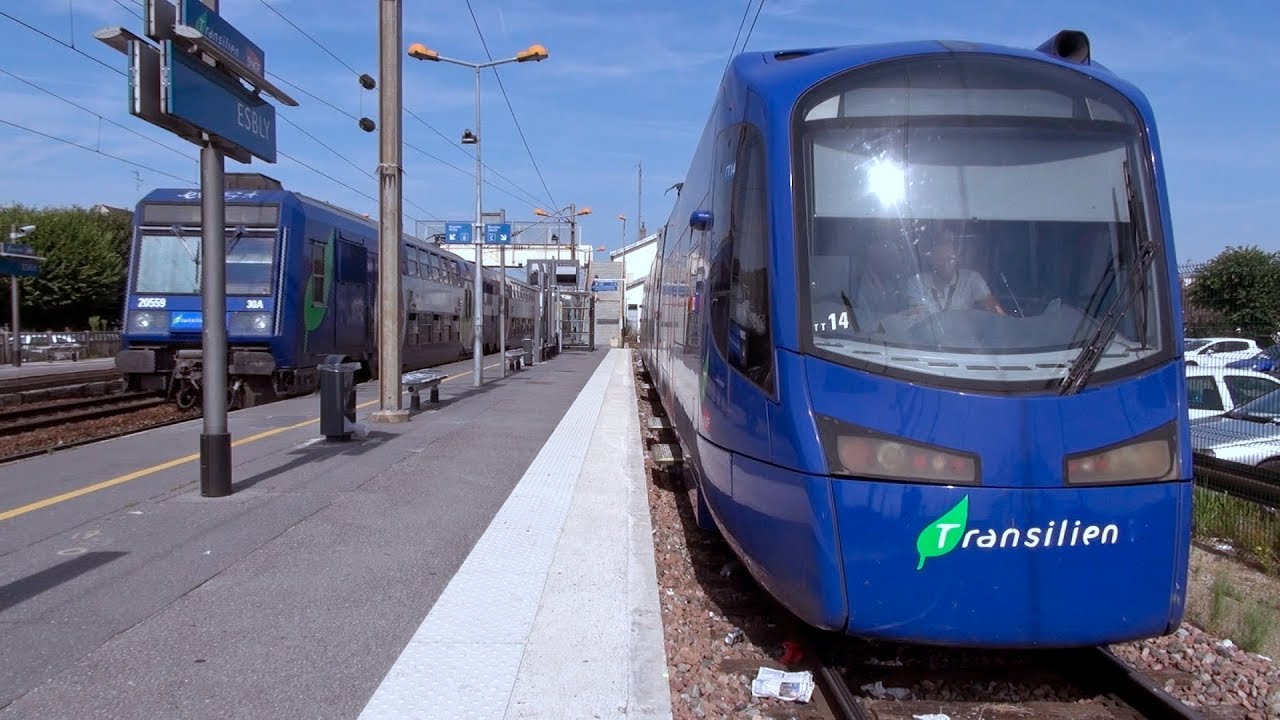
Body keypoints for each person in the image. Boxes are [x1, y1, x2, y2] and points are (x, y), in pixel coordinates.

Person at [910, 230, 1006, 316]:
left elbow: (995, 309)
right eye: (940, 260)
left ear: (956, 259)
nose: (946, 265)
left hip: (964, 335)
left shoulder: (971, 279)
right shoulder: (917, 283)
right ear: (930, 261)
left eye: (950, 259)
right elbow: (916, 316)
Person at [850, 235, 925, 332]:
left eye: (897, 256)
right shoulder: (865, 290)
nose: (898, 261)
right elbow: (865, 326)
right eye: (891, 257)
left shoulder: (905, 282)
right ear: (878, 261)